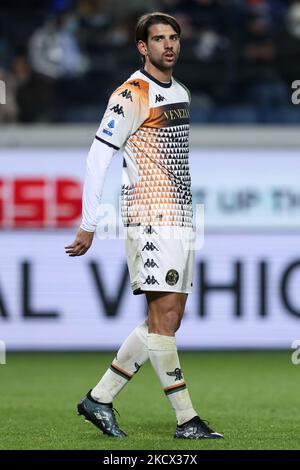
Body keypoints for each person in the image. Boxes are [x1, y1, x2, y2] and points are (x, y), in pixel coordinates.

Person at [65, 12, 223, 440]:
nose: (168, 45)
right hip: (151, 217)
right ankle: (187, 420)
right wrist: (89, 223)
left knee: (167, 321)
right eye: (158, 39)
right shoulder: (130, 93)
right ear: (143, 47)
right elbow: (99, 157)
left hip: (181, 217)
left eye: (173, 38)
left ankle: (99, 399)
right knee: (164, 317)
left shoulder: (182, 92)